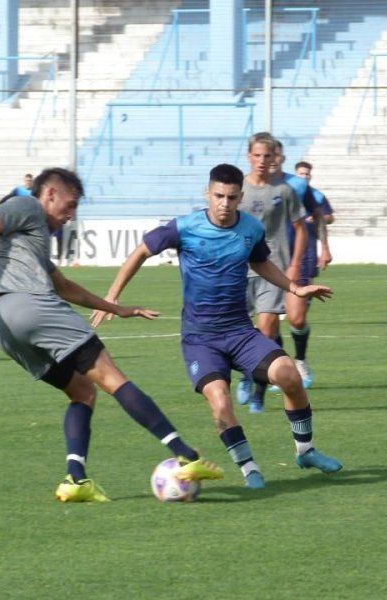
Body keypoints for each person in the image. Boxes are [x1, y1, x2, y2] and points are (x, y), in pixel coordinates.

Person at [0, 167, 224, 503]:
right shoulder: (27, 207)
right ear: (50, 194)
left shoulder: (31, 240)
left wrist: (118, 309)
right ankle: (186, 454)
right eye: (69, 206)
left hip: (2, 327)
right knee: (113, 378)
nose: (70, 216)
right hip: (28, 307)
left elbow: (65, 286)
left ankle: (76, 480)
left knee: (82, 390)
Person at [92, 164, 342, 489]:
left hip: (240, 331)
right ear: (207, 194)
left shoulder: (250, 228)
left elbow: (260, 261)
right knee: (220, 401)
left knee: (288, 375)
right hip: (201, 340)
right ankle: (249, 468)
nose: (225, 203)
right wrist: (112, 296)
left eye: (232, 197)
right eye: (219, 196)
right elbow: (142, 250)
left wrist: (294, 288)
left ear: (241, 197)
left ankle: (305, 450)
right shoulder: (184, 227)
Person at [235, 133, 307, 413]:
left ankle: (259, 391)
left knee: (267, 327)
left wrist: (295, 264)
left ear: (274, 157)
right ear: (249, 156)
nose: (262, 161)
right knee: (242, 329)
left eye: (268, 156)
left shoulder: (285, 190)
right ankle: (245, 372)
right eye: (257, 155)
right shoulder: (237, 188)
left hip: (272, 267)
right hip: (238, 269)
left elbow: (301, 228)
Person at [286, 160, 335, 386]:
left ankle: (300, 360)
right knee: (267, 320)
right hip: (277, 256)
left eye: (307, 174)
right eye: (301, 174)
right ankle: (273, 374)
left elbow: (328, 216)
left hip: (305, 255)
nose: (303, 177)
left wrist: (324, 247)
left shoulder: (315, 196)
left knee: (297, 318)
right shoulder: (283, 190)